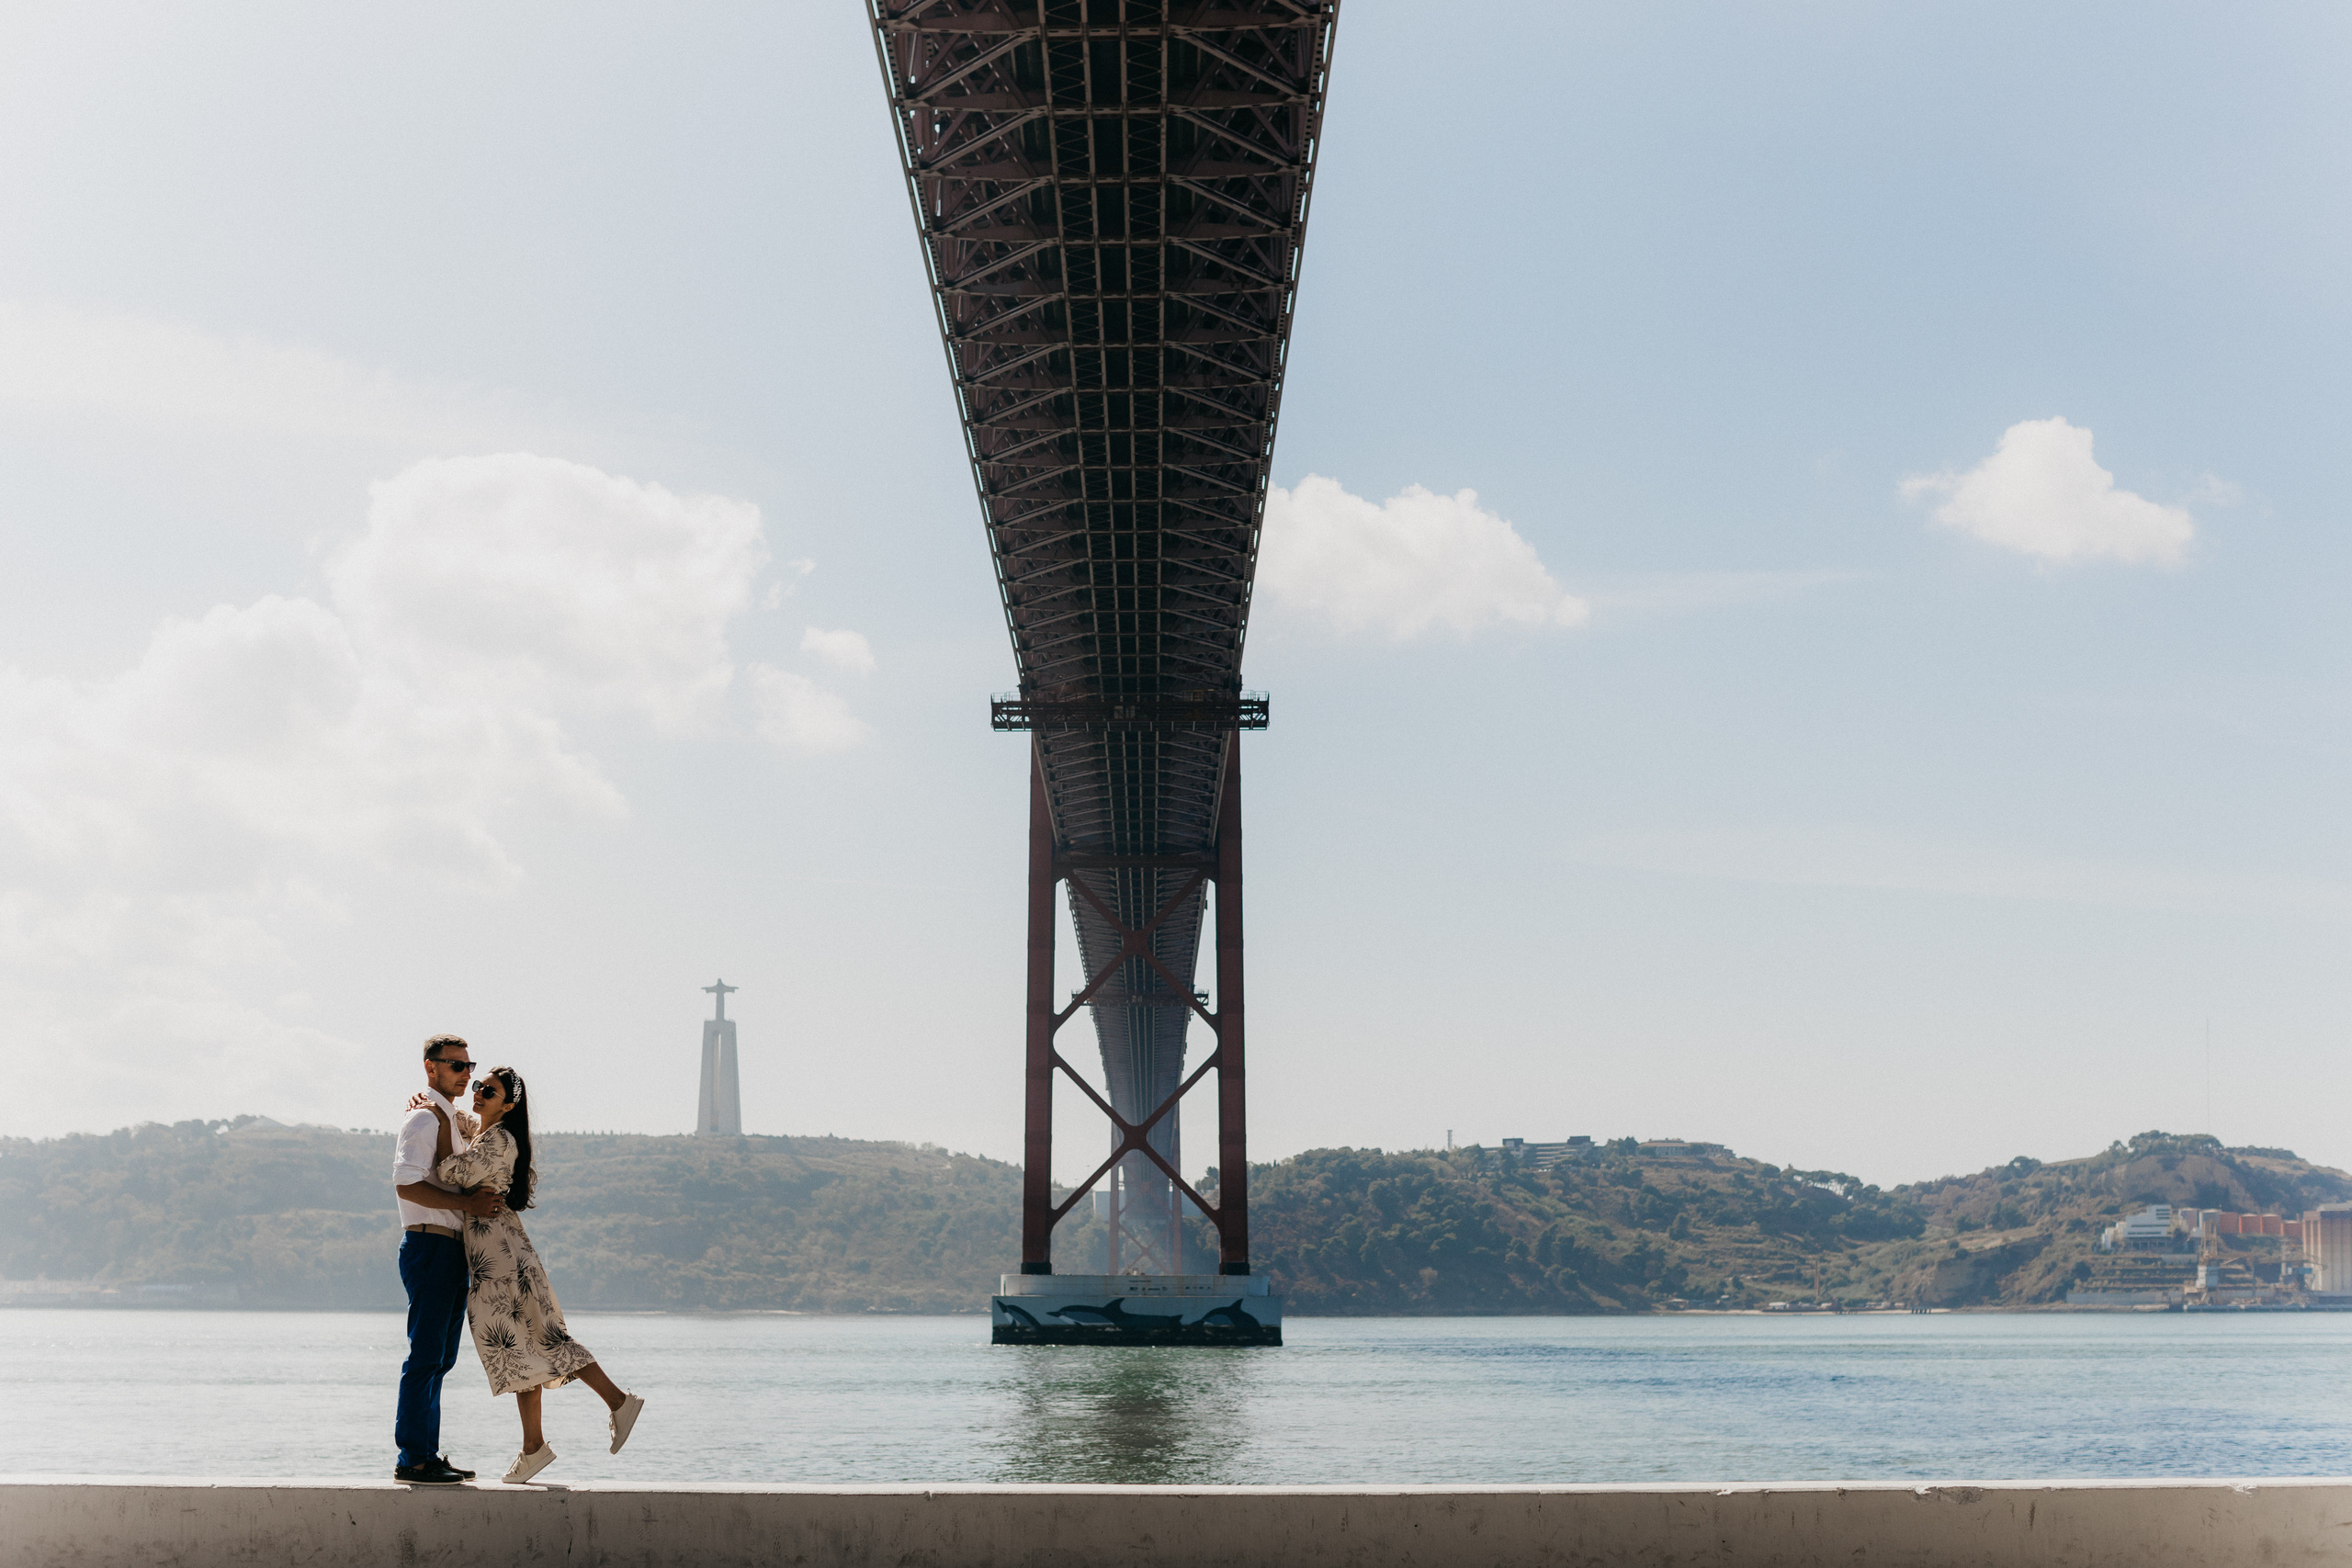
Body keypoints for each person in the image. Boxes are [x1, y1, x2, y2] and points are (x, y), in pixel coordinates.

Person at [418, 1063, 643, 1484]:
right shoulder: (489, 1132)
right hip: (501, 1254)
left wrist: (442, 1120)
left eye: (490, 1091)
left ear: (508, 1106)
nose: (479, 1092)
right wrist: (437, 1106)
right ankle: (536, 1446)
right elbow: (463, 1122)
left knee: (534, 1342)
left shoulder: (499, 1139)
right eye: (479, 1086)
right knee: (523, 1349)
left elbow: (450, 1171)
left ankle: (614, 1403)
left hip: (500, 1260)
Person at [391, 1034, 504, 1485]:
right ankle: (413, 1460)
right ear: (431, 1067)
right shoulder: (424, 1118)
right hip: (431, 1246)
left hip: (451, 1251)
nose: (465, 1074)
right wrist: (467, 1205)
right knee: (426, 1357)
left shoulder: (448, 1118)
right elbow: (406, 1183)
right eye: (456, 1065)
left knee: (440, 1359)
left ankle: (426, 1454)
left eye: (468, 1066)